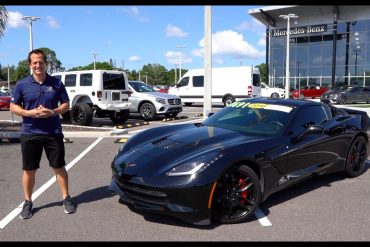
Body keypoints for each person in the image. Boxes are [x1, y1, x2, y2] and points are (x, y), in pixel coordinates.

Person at [10, 49, 76, 219]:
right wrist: (30, 113)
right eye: (35, 62)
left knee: (59, 167)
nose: (38, 65)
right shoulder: (22, 84)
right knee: (29, 170)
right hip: (30, 133)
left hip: (52, 133)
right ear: (30, 64)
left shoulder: (56, 83)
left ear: (46, 63)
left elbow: (66, 104)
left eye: (41, 62)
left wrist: (53, 112)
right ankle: (27, 202)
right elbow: (13, 107)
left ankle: (66, 198)